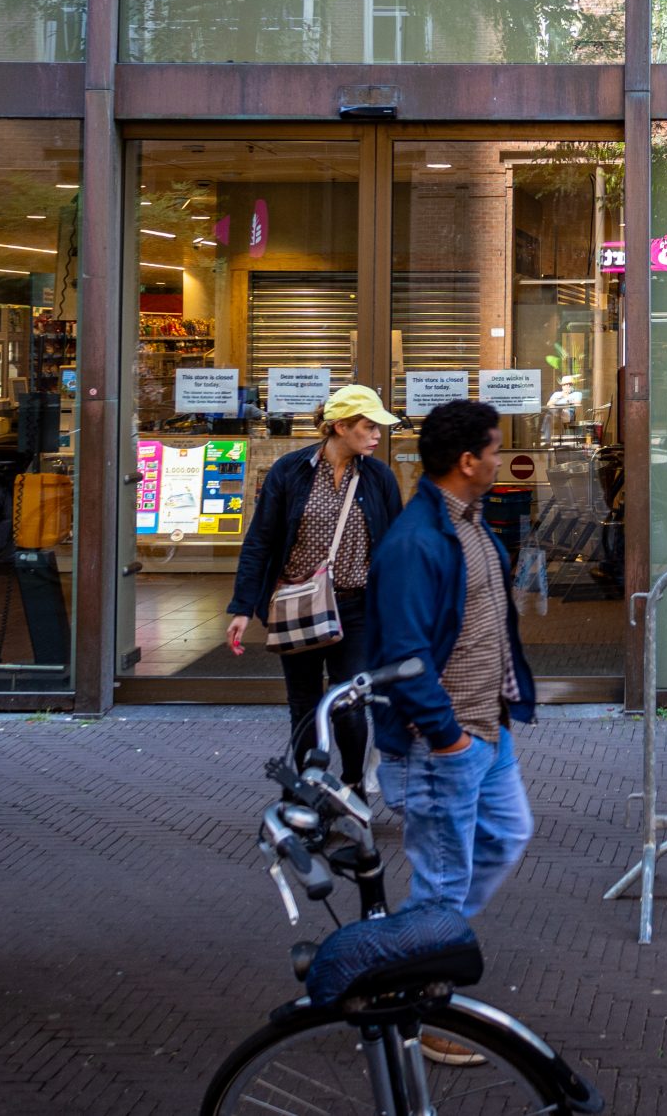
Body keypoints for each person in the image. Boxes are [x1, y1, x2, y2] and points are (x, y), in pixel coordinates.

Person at [368, 398, 536, 927]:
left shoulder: (471, 523)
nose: (499, 461)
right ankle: (417, 967)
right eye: (495, 451)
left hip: (488, 726)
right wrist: (447, 737)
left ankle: (430, 944)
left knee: (507, 833)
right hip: (446, 740)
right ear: (467, 461)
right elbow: (404, 650)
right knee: (442, 883)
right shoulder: (416, 541)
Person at [228, 385, 404, 789]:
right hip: (297, 606)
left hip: (355, 607)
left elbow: (395, 546)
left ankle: (353, 785)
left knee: (350, 704)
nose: (378, 434)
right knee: (304, 705)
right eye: (369, 426)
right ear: (340, 426)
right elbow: (261, 540)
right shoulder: (290, 471)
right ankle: (309, 786)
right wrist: (242, 606)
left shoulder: (377, 477)